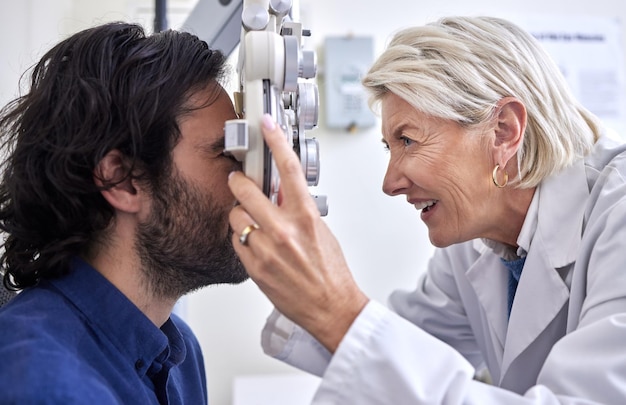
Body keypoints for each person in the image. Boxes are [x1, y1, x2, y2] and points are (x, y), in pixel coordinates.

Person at [227, 15, 626, 404]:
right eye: (390, 146)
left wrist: (336, 305)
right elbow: (402, 354)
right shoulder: (475, 242)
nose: (390, 183)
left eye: (408, 141)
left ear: (503, 130)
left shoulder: (617, 216)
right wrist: (300, 280)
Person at [0, 22, 247, 403]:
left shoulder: (179, 355)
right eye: (227, 155)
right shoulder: (44, 380)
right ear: (123, 181)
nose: (250, 183)